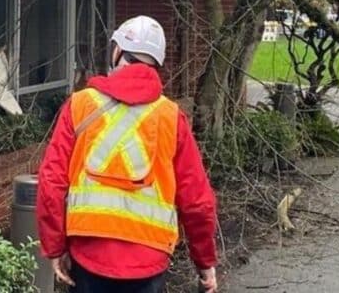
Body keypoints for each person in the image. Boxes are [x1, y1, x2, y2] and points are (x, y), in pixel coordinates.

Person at [36, 15, 219, 293]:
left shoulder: (80, 105)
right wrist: (205, 264)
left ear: (118, 51)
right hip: (149, 260)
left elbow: (51, 182)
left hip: (88, 256)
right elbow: (197, 200)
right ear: (155, 63)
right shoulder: (171, 117)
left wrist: (54, 246)